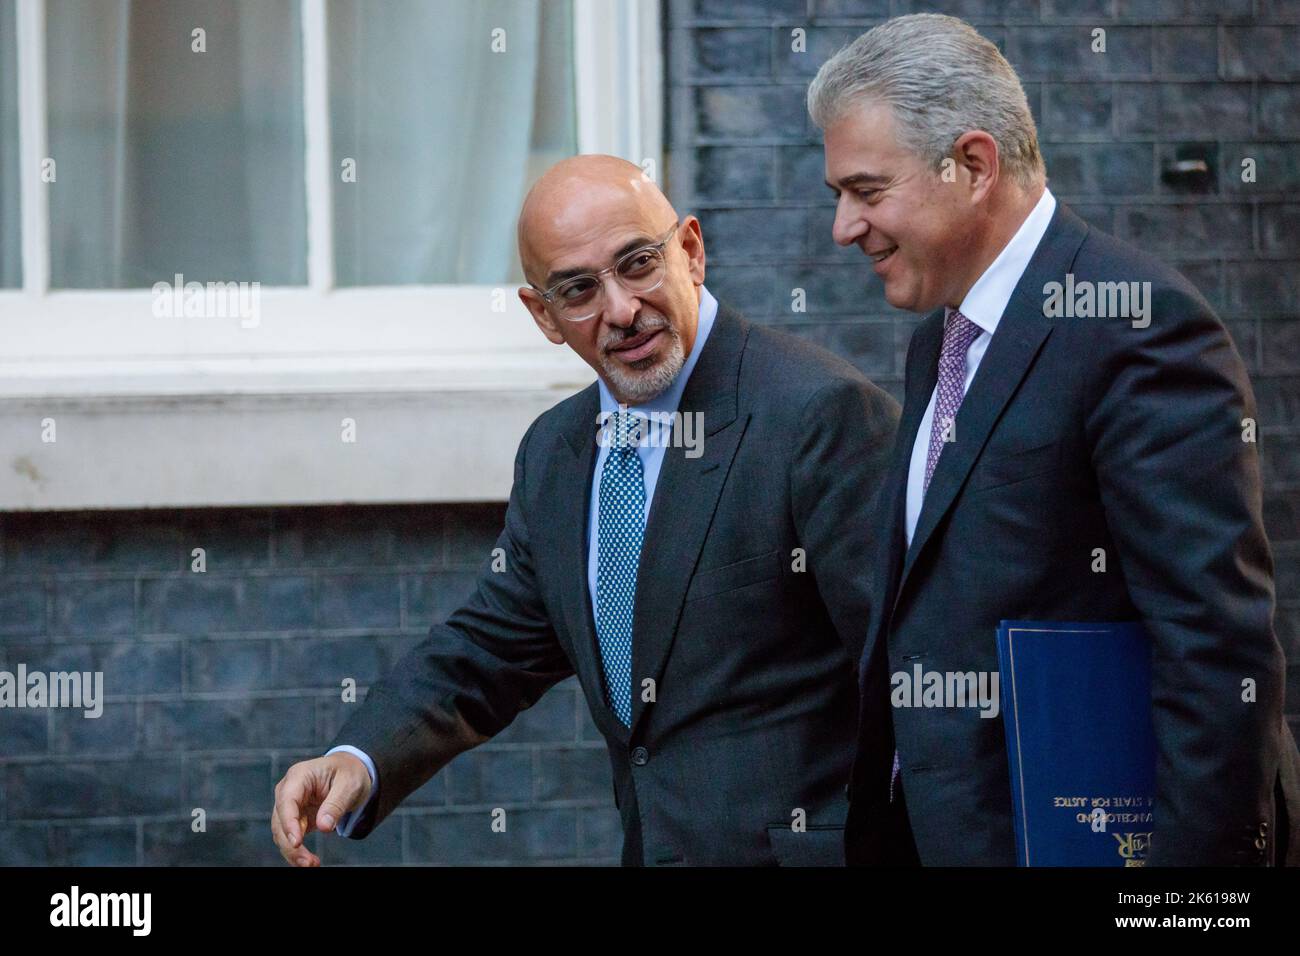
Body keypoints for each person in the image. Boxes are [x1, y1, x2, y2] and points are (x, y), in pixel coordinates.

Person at [270, 155, 900, 866]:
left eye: (638, 263)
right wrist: (362, 756)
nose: (622, 310)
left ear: (690, 251)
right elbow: (492, 647)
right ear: (543, 315)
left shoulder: (818, 414)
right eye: (578, 289)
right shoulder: (556, 451)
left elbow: (908, 668)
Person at [808, 13, 1300, 866]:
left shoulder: (1138, 326)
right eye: (839, 196)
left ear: (972, 165)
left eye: (867, 190)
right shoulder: (943, 335)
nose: (845, 227)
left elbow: (1216, 655)